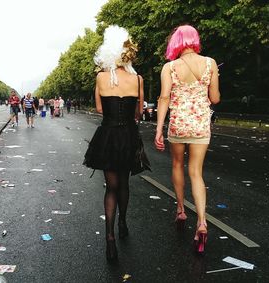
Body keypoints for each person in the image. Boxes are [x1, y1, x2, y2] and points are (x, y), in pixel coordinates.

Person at [83, 25, 150, 261]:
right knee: (124, 184)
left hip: (108, 136)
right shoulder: (138, 79)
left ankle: (109, 238)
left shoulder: (101, 77)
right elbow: (139, 113)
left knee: (110, 187)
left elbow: (100, 109)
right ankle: (123, 222)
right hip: (129, 136)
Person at [154, 25, 220, 255]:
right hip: (201, 124)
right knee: (196, 172)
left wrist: (159, 129)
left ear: (176, 42)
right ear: (195, 40)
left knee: (176, 165)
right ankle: (201, 221)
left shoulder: (169, 67)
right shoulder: (210, 63)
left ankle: (181, 209)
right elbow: (215, 98)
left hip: (179, 123)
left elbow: (163, 98)